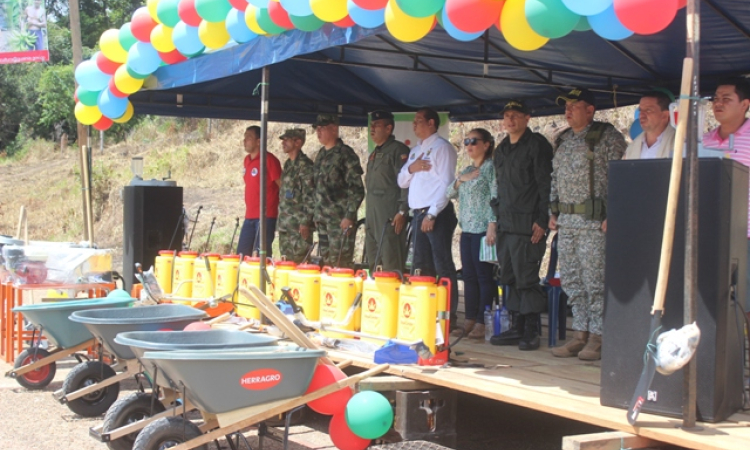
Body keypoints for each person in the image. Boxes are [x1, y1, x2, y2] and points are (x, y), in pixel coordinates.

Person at [549, 88, 626, 361]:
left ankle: (598, 336)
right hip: (567, 222)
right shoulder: (563, 140)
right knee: (572, 280)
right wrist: (553, 209)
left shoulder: (608, 138)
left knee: (595, 281)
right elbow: (555, 177)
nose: (568, 111)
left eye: (574, 105)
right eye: (566, 106)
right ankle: (579, 333)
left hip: (595, 222)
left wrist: (614, 213)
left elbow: (621, 177)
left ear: (590, 110)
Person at [488, 100, 553, 351]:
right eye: (507, 116)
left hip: (528, 224)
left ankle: (531, 329)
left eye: (516, 116)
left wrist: (542, 219)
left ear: (527, 117)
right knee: (509, 277)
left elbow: (544, 184)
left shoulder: (536, 145)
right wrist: (495, 220)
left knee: (527, 277)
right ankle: (516, 326)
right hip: (506, 224)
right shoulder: (502, 148)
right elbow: (500, 187)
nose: (510, 120)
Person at [397, 108, 459, 328]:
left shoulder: (442, 148)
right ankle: (427, 312)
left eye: (419, 121)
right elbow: (402, 181)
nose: (414, 125)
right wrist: (412, 168)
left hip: (436, 213)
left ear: (432, 123)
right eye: (413, 122)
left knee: (442, 263)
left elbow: (447, 184)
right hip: (418, 213)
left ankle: (448, 316)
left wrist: (433, 212)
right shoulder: (415, 151)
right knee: (421, 264)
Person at [702, 77, 750, 308]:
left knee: (745, 301)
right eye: (715, 99)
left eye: (726, 99)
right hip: (711, 232)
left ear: (744, 104)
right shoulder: (704, 141)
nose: (718, 103)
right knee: (714, 300)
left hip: (746, 233)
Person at [446, 128, 497, 339]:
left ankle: (482, 320)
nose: (469, 146)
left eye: (474, 141)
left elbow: (496, 195)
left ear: (486, 144)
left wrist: (493, 224)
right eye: (466, 141)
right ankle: (469, 318)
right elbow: (450, 192)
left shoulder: (491, 168)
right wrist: (460, 179)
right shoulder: (466, 169)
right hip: (466, 228)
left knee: (483, 276)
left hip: (483, 229)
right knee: (468, 276)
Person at [312, 113, 365, 268]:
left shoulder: (345, 154)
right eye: (317, 128)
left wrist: (349, 216)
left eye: (322, 128)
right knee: (326, 264)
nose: (318, 132)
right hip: (322, 220)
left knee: (340, 264)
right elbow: (317, 187)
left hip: (339, 221)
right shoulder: (321, 154)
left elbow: (357, 189)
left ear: (334, 129)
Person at [365, 110, 411, 272]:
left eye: (377, 125)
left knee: (390, 258)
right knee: (373, 258)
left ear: (388, 128)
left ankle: (392, 295)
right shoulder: (374, 153)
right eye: (371, 126)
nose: (372, 129)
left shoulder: (398, 151)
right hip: (372, 213)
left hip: (389, 214)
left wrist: (402, 211)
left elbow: (406, 183)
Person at [236, 125, 282, 258]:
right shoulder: (247, 160)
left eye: (249, 138)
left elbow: (282, 186)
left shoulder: (269, 160)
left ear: (259, 141)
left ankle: (263, 279)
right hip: (249, 216)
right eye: (244, 138)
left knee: (260, 255)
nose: (245, 141)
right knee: (241, 255)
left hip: (266, 216)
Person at [277, 128, 315, 263]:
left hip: (298, 227)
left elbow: (310, 197)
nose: (283, 143)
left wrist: (305, 222)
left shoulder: (306, 166)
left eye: (287, 140)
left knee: (300, 263)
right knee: (285, 263)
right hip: (285, 225)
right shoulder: (288, 164)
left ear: (298, 143)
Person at [623, 91, 675, 159]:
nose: (641, 115)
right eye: (640, 110)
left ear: (665, 115)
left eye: (648, 110)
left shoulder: (679, 142)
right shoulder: (632, 148)